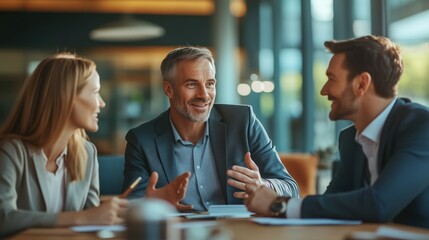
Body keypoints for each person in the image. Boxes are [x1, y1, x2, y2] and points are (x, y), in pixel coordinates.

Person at [244, 35, 429, 229]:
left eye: (331, 79)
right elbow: (329, 205)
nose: (324, 90)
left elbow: (379, 203)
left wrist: (279, 204)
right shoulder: (350, 140)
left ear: (361, 84)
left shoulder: (422, 127)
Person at [123, 46, 299, 211]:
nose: (204, 95)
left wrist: (263, 186)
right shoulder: (141, 140)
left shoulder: (243, 121)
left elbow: (291, 188)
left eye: (210, 84)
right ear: (168, 89)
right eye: (192, 84)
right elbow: (131, 204)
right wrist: (152, 203)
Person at [0, 53, 129, 237]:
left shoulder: (87, 152)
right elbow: (3, 218)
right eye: (95, 92)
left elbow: (94, 219)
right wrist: (81, 218)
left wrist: (148, 204)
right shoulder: (11, 151)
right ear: (67, 96)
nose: (102, 103)